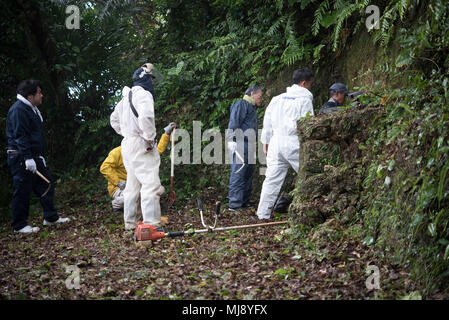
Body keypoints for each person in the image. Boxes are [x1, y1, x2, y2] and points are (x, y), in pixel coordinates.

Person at [6, 80, 70, 233]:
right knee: (22, 190)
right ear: (30, 96)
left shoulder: (31, 109)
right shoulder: (19, 110)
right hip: (21, 157)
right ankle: (19, 225)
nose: (42, 95)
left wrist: (37, 156)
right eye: (39, 92)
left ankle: (50, 217)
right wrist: (27, 158)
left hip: (34, 156)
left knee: (46, 184)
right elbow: (20, 135)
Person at [110, 63, 165, 230]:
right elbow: (146, 117)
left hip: (127, 144)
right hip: (141, 143)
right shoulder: (144, 95)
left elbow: (113, 120)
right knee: (150, 184)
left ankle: (130, 223)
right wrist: (149, 138)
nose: (153, 84)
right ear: (146, 79)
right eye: (152, 80)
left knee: (132, 186)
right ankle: (151, 224)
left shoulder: (124, 99)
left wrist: (127, 133)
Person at [256, 68, 314, 220]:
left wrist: (266, 142)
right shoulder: (305, 99)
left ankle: (263, 214)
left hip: (275, 143)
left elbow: (267, 122)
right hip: (293, 142)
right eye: (309, 84)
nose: (309, 87)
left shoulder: (277, 99)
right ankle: (310, 211)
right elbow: (308, 123)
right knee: (308, 174)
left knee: (271, 179)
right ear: (303, 83)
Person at [100, 122, 176, 213]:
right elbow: (105, 167)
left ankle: (154, 204)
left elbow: (157, 152)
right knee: (132, 198)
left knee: (160, 190)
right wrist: (118, 182)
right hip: (120, 188)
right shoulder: (117, 152)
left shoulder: (142, 150)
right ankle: (117, 204)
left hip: (138, 185)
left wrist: (166, 134)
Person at [226, 85, 263, 211]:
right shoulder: (241, 104)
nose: (261, 99)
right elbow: (234, 121)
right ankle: (234, 204)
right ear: (252, 94)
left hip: (249, 143)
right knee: (239, 172)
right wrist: (231, 139)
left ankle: (244, 201)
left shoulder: (251, 108)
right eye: (259, 96)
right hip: (240, 142)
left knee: (248, 173)